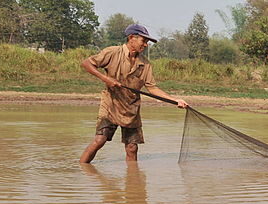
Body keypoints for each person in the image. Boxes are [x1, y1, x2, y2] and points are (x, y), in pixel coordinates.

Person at [79, 24, 187, 163]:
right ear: (131, 38)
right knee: (100, 140)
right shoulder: (112, 52)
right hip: (110, 104)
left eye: (147, 42)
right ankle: (82, 167)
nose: (146, 45)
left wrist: (175, 100)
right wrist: (106, 79)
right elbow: (87, 63)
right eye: (143, 41)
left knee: (132, 148)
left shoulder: (145, 64)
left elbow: (152, 88)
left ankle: (133, 179)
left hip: (131, 108)